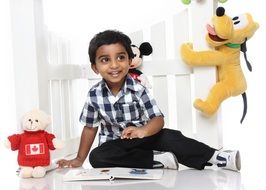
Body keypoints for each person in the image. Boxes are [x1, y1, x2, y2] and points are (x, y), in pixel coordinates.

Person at [57, 30, 241, 171]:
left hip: (146, 137)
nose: (114, 65)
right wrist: (79, 159)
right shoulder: (94, 95)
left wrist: (143, 131)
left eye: (120, 58)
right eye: (105, 60)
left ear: (130, 61)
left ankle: (217, 157)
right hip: (116, 145)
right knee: (97, 157)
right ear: (95, 68)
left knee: (172, 137)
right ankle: (157, 160)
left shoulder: (138, 88)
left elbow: (157, 119)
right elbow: (90, 127)